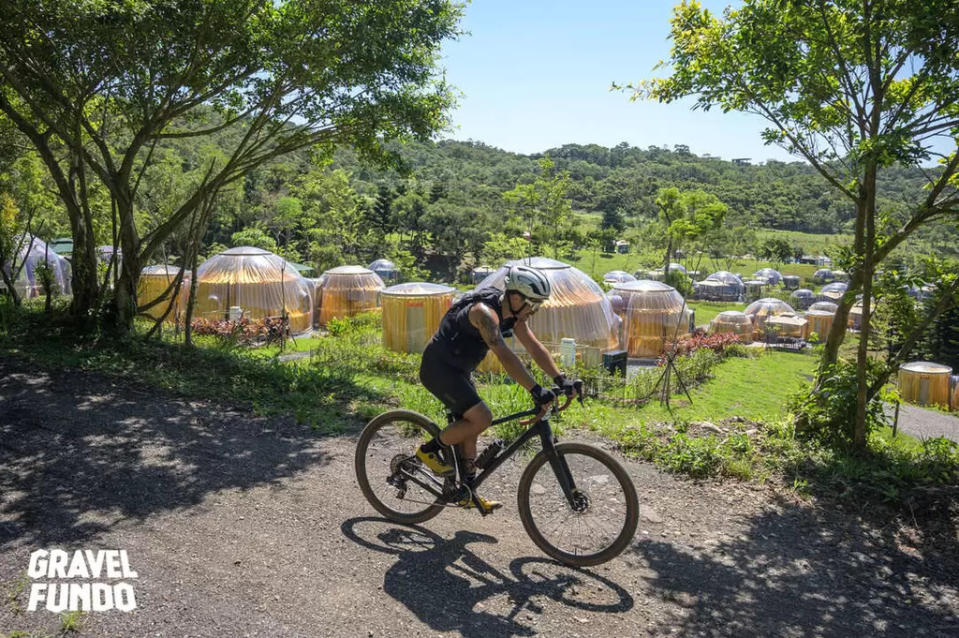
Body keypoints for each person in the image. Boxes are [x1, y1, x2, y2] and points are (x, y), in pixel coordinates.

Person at [416, 264, 582, 512]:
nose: (534, 311)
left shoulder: (514, 316)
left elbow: (535, 348)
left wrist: (561, 379)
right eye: (533, 304)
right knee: (482, 418)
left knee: (471, 428)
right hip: (438, 368)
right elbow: (504, 355)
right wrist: (535, 389)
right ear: (515, 297)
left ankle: (467, 492)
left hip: (459, 371)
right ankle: (428, 451)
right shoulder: (484, 313)